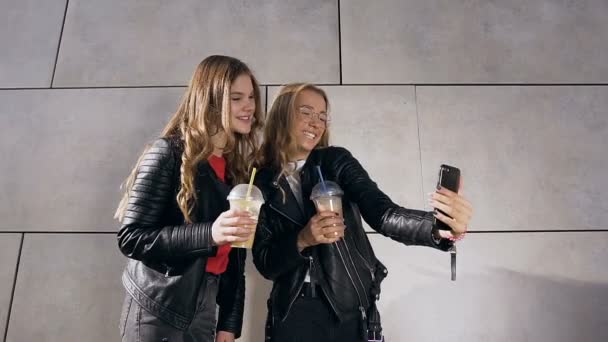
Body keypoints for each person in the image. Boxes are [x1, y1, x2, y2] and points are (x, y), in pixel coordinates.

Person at [252, 83, 473, 342]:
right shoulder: (260, 182)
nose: (316, 123)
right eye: (307, 112)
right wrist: (303, 239)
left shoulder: (336, 161)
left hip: (347, 308)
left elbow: (384, 214)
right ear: (283, 114)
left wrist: (439, 228)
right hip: (292, 311)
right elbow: (266, 263)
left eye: (322, 116)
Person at [114, 55, 263, 342]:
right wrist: (209, 233)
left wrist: (229, 324)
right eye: (236, 98)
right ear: (210, 100)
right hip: (158, 306)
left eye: (251, 97)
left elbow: (234, 259)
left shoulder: (234, 172)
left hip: (206, 307)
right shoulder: (167, 152)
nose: (250, 106)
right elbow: (131, 238)